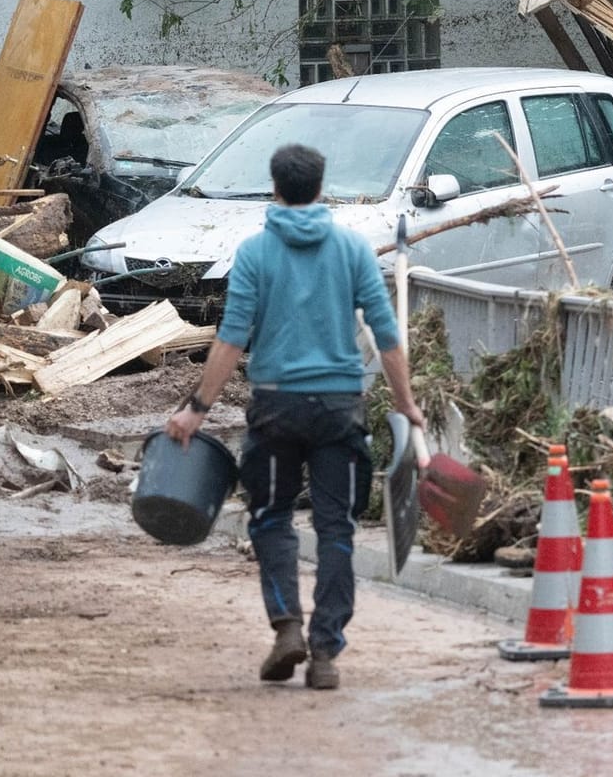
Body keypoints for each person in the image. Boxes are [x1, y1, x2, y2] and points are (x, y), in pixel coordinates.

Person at [165, 143, 425, 690]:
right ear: (321, 187)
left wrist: (196, 410)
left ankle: (287, 626)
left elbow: (232, 339)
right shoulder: (353, 250)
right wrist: (406, 405)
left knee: (272, 518)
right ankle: (326, 652)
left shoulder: (256, 252)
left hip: (277, 408)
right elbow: (386, 333)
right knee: (337, 528)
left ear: (275, 188)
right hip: (338, 409)